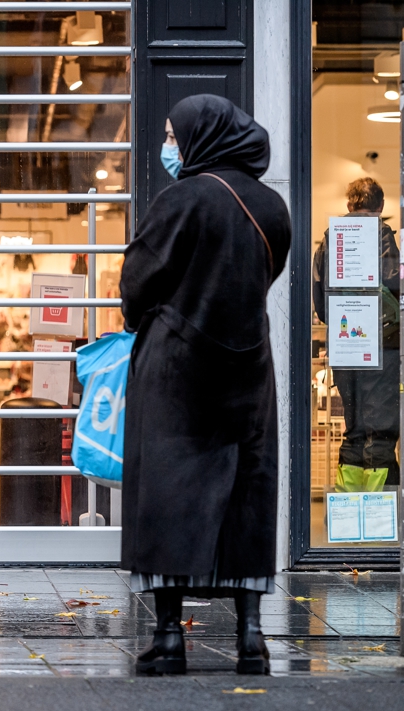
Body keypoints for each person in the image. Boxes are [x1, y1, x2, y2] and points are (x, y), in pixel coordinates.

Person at [119, 95, 293, 676]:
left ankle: (169, 637)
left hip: (176, 374)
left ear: (201, 136)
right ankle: (251, 636)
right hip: (248, 371)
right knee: (248, 490)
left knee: (167, 494)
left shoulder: (180, 200)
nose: (169, 146)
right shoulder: (272, 208)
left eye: (173, 135)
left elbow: (136, 284)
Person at [312, 178, 401, 490]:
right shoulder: (382, 234)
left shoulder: (328, 240)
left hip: (345, 347)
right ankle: (377, 516)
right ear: (380, 207)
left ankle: (349, 505)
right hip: (382, 347)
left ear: (349, 205)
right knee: (382, 427)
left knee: (354, 426)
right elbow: (395, 286)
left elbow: (320, 304)